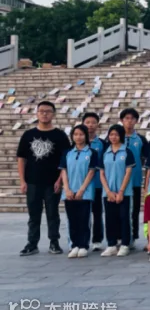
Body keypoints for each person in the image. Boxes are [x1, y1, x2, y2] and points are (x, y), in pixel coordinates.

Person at [17, 100, 70, 257]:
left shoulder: (60, 135)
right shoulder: (28, 135)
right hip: (32, 182)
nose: (44, 114)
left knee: (53, 214)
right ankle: (32, 243)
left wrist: (60, 180)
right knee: (34, 215)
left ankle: (54, 242)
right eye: (41, 111)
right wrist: (22, 181)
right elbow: (21, 159)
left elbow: (65, 160)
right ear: (37, 114)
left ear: (53, 114)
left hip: (52, 182)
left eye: (48, 111)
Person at [59, 124, 100, 258]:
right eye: (75, 134)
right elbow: (64, 171)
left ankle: (83, 245)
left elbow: (91, 172)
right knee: (72, 220)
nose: (78, 137)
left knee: (84, 219)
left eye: (81, 134)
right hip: (69, 192)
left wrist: (82, 190)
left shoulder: (92, 152)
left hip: (85, 192)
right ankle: (74, 245)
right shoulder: (67, 152)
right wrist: (67, 189)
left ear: (86, 136)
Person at [100, 124, 136, 257]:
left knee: (124, 217)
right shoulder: (105, 152)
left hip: (124, 192)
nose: (113, 137)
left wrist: (121, 191)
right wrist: (108, 191)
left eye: (116, 134)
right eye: (111, 134)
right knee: (110, 218)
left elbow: (128, 172)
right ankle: (111, 244)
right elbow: (102, 173)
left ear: (121, 136)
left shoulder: (127, 152)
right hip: (108, 192)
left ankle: (125, 244)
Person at [119, 108, 148, 248]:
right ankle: (120, 236)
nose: (129, 121)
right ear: (121, 120)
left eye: (132, 118)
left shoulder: (141, 139)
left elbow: (146, 158)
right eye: (126, 118)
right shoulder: (115, 137)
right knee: (120, 211)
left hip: (135, 180)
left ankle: (133, 236)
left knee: (135, 210)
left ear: (136, 121)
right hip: (119, 180)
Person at [82, 112, 108, 251]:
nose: (90, 125)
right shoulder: (78, 143)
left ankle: (97, 240)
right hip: (82, 184)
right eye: (87, 122)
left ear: (98, 124)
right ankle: (82, 240)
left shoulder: (103, 144)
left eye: (93, 122)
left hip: (97, 183)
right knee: (83, 214)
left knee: (97, 213)